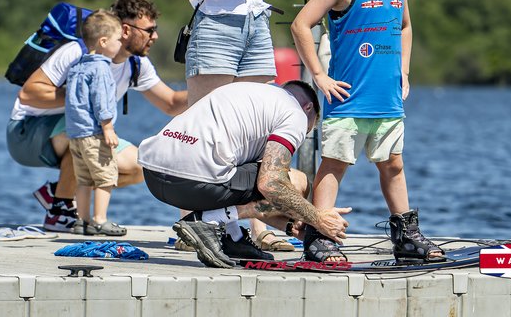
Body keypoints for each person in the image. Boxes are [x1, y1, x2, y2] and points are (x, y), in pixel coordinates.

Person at [290, 0, 444, 263]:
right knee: (334, 165)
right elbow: (301, 24)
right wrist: (320, 75)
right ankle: (319, 234)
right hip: (349, 98)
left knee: (393, 165)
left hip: (387, 98)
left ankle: (406, 235)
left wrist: (404, 71)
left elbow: (405, 26)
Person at [174, 0, 295, 251]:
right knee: (205, 128)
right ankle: (191, 222)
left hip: (255, 25)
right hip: (215, 26)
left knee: (256, 128)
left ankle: (254, 224)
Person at [6, 0, 188, 231]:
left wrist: (214, 88)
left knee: (139, 167)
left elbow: (172, 103)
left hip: (74, 130)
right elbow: (29, 94)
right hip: (26, 132)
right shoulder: (77, 52)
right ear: (125, 30)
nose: (155, 36)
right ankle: (60, 209)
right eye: (149, 30)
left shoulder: (136, 64)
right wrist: (81, 98)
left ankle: (60, 192)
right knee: (88, 134)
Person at [138, 81, 351, 269]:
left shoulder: (251, 94)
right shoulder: (296, 114)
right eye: (306, 132)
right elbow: (272, 184)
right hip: (193, 182)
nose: (301, 136)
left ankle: (233, 238)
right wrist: (317, 217)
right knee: (296, 181)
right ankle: (206, 221)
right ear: (308, 108)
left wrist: (291, 222)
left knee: (243, 170)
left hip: (154, 177)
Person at [65, 11, 126, 236]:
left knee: (84, 179)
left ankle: (82, 221)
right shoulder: (101, 68)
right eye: (118, 39)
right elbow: (102, 101)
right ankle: (100, 220)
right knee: (104, 177)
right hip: (94, 133)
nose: (121, 43)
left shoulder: (78, 66)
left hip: (75, 134)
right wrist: (107, 127)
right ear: (103, 42)